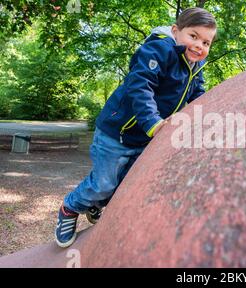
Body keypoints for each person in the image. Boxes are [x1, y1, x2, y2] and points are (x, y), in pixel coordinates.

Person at [55, 8, 217, 248]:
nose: (199, 45)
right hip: (116, 132)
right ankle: (70, 208)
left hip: (143, 138)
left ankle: (96, 204)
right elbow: (141, 86)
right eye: (193, 36)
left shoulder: (196, 66)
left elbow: (196, 95)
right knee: (104, 183)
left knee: (126, 183)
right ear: (176, 31)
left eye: (206, 42)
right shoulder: (159, 50)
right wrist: (152, 121)